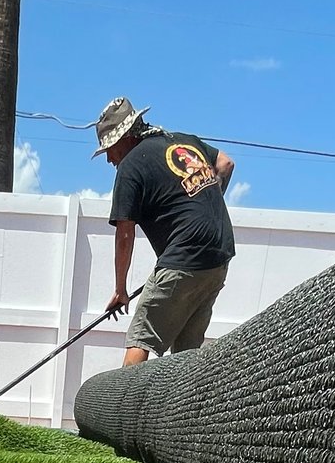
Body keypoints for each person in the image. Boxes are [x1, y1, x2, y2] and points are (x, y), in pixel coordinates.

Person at [94, 96, 236, 364]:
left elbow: (125, 234)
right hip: (218, 257)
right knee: (186, 353)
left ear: (123, 138)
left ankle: (124, 404)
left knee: (140, 337)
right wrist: (209, 204)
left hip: (184, 257)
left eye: (109, 149)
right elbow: (226, 164)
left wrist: (120, 289)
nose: (109, 159)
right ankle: (182, 405)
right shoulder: (184, 141)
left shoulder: (130, 166)